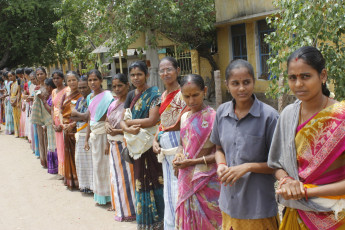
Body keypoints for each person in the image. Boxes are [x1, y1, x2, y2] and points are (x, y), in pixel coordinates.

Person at [268, 46, 345, 229]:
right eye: (292, 78)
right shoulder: (288, 115)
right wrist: (286, 181)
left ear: (323, 76)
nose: (298, 84)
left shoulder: (341, 118)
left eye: (305, 76)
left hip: (335, 217)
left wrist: (305, 192)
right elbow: (276, 164)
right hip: (295, 215)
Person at [210, 60, 279, 229]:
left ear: (253, 82)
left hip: (258, 206)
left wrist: (247, 167)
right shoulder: (222, 112)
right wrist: (221, 165)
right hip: (229, 204)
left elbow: (278, 164)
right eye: (235, 83)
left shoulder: (269, 117)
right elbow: (218, 148)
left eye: (246, 82)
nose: (241, 88)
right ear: (227, 85)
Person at [173, 74, 221, 230]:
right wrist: (179, 154)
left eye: (195, 95)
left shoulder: (214, 117)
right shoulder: (185, 117)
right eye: (186, 96)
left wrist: (191, 162)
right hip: (186, 178)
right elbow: (182, 143)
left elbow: (221, 154)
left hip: (208, 182)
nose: (191, 101)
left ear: (205, 91)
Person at [120, 61, 164, 229]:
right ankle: (145, 222)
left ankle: (160, 220)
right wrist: (128, 129)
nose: (136, 78)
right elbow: (124, 121)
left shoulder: (154, 94)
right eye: (132, 75)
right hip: (136, 145)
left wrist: (129, 123)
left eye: (139, 74)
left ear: (146, 74)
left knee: (156, 179)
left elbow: (152, 120)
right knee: (140, 180)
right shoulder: (131, 95)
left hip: (150, 144)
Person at [152, 56, 188, 230]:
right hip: (164, 148)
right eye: (162, 70)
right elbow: (162, 123)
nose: (165, 73)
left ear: (178, 71)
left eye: (169, 69)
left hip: (179, 145)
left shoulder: (184, 94)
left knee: (178, 189)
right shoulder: (163, 95)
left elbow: (187, 123)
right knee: (168, 191)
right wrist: (155, 139)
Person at [106, 73, 136, 221]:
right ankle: (120, 209)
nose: (117, 89)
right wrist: (107, 126)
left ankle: (130, 211)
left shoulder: (131, 104)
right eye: (114, 86)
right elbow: (107, 119)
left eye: (120, 86)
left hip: (125, 145)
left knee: (127, 179)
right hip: (112, 145)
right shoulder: (113, 103)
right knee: (116, 178)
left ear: (127, 85)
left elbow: (134, 126)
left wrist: (117, 131)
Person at [84, 69, 114, 204]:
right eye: (90, 80)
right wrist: (86, 138)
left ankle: (110, 196)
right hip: (94, 136)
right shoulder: (89, 97)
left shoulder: (108, 97)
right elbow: (90, 119)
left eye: (95, 79)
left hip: (104, 136)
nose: (92, 82)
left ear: (101, 80)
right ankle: (100, 194)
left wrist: (108, 142)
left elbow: (110, 119)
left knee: (106, 166)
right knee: (96, 166)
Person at [71, 76, 93, 193]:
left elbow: (87, 117)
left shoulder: (92, 98)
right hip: (80, 132)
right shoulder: (80, 100)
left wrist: (77, 114)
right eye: (80, 88)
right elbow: (72, 116)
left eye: (84, 87)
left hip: (89, 133)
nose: (82, 90)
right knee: (80, 160)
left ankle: (92, 186)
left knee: (90, 162)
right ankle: (84, 185)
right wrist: (80, 115)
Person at [31, 77, 58, 173]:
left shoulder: (52, 96)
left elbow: (50, 110)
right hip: (49, 123)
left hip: (52, 123)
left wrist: (43, 100)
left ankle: (56, 167)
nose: (44, 88)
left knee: (54, 145)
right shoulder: (51, 95)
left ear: (49, 87)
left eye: (46, 86)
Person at [61, 71, 82, 189]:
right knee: (69, 154)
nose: (72, 82)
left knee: (77, 155)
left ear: (78, 80)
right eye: (69, 80)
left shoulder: (81, 94)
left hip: (76, 128)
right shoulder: (66, 95)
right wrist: (62, 123)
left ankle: (80, 181)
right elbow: (60, 110)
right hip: (66, 128)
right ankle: (71, 180)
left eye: (74, 80)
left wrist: (73, 124)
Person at [51, 70, 69, 176]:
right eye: (54, 78)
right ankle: (62, 171)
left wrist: (62, 122)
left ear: (62, 79)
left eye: (58, 78)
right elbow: (53, 108)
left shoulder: (67, 90)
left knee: (65, 144)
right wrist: (53, 122)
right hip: (56, 120)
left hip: (65, 120)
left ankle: (68, 170)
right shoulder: (53, 91)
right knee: (59, 145)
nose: (56, 80)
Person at [9, 71, 21, 138]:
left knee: (18, 116)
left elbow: (18, 93)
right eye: (9, 76)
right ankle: (16, 132)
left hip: (17, 102)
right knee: (14, 117)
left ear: (14, 75)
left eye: (11, 76)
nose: (10, 78)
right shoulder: (11, 84)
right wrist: (11, 101)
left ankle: (19, 132)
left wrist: (15, 101)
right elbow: (10, 93)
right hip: (12, 102)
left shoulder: (17, 83)